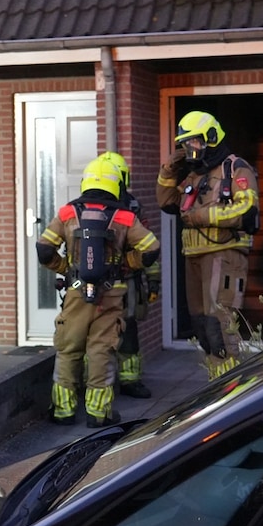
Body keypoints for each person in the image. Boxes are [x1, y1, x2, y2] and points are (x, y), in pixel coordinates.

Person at [36, 155, 159, 428]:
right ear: (116, 184)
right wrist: (127, 264)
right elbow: (151, 248)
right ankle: (99, 413)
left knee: (68, 349)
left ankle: (63, 410)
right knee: (102, 351)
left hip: (75, 293)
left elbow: (44, 249)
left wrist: (66, 268)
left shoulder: (68, 213)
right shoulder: (125, 216)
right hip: (111, 294)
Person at [156, 111, 259, 379]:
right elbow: (167, 201)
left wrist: (201, 216)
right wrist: (170, 165)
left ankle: (231, 393)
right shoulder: (194, 175)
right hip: (194, 255)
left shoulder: (235, 168)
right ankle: (217, 386)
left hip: (223, 255)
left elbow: (246, 210)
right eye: (186, 144)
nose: (191, 149)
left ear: (212, 138)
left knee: (219, 328)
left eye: (195, 142)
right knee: (202, 327)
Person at [100, 151, 160, 399]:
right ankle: (96, 382)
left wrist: (153, 280)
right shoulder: (91, 205)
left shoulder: (133, 205)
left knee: (130, 329)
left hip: (129, 277)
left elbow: (148, 245)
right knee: (98, 331)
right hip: (102, 279)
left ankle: (130, 380)